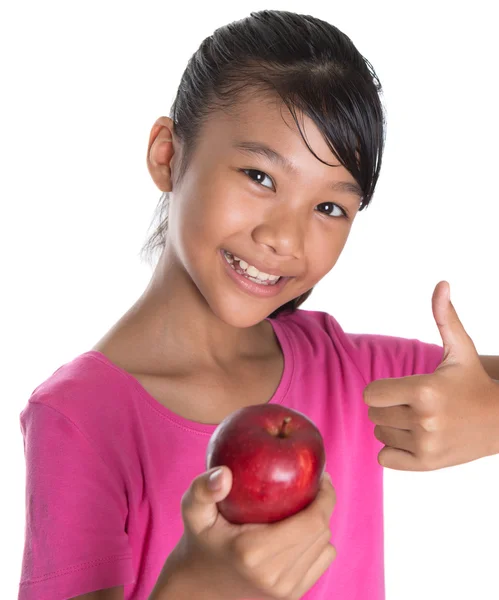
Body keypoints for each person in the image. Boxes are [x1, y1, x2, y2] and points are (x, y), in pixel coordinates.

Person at [18, 8, 499, 600]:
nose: (286, 240)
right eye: (260, 176)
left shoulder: (346, 374)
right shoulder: (80, 417)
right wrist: (195, 590)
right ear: (167, 154)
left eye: (330, 208)